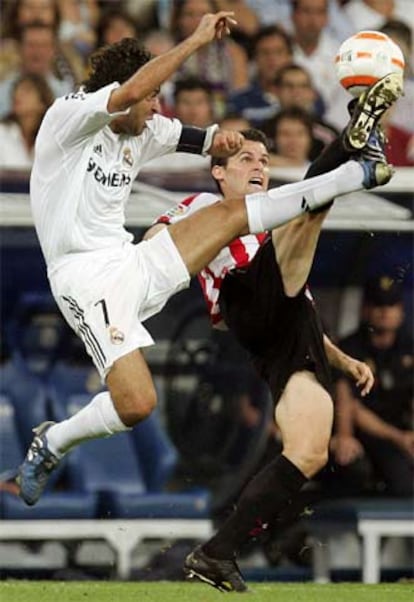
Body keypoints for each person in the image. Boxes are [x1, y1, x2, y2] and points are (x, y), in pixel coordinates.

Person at [15, 9, 401, 513]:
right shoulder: (70, 117)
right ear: (128, 86)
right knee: (137, 404)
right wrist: (196, 41)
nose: (157, 108)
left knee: (229, 214)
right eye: (153, 96)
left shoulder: (145, 129)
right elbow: (132, 96)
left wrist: (223, 142)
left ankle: (358, 174)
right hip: (84, 279)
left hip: (132, 261)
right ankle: (55, 441)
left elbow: (198, 138)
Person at [146, 83, 403, 591]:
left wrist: (343, 359)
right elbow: (155, 241)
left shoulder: (274, 219)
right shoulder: (203, 204)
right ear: (220, 171)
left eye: (263, 158)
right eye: (245, 159)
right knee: (308, 210)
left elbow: (297, 302)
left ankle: (216, 554)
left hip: (291, 336)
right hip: (245, 301)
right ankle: (352, 155)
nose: (258, 165)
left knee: (310, 451)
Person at [331, 275, 414, 497]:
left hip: (401, 430)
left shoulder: (409, 346)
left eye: (391, 305)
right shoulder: (349, 349)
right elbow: (348, 403)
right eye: (378, 305)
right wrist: (399, 438)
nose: (385, 312)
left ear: (401, 310)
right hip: (368, 433)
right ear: (365, 309)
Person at [0, 73, 54, 169]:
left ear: (42, 103)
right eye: (16, 90)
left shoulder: (52, 139)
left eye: (27, 91)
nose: (17, 94)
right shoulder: (2, 133)